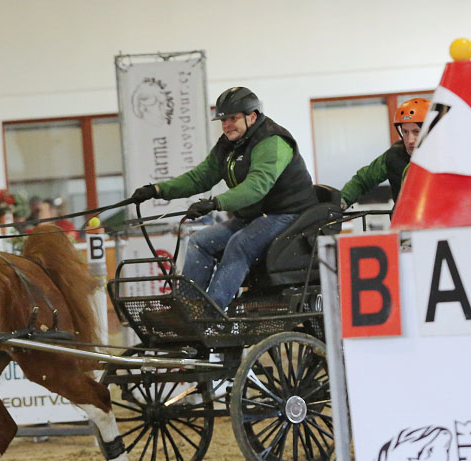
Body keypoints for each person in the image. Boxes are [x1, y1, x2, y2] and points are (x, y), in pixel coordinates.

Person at [129, 86, 317, 310]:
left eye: (232, 118)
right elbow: (201, 177)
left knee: (239, 244)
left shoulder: (272, 141)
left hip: (288, 214)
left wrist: (216, 203)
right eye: (223, 120)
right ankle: (188, 307)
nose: (226, 125)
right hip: (255, 215)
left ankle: (212, 312)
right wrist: (158, 190)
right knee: (200, 242)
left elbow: (257, 186)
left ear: (252, 116)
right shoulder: (229, 143)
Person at [340, 97, 430, 214]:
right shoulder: (394, 155)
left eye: (416, 132)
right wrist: (341, 201)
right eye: (405, 132)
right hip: (403, 224)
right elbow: (363, 180)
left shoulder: (446, 158)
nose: (410, 140)